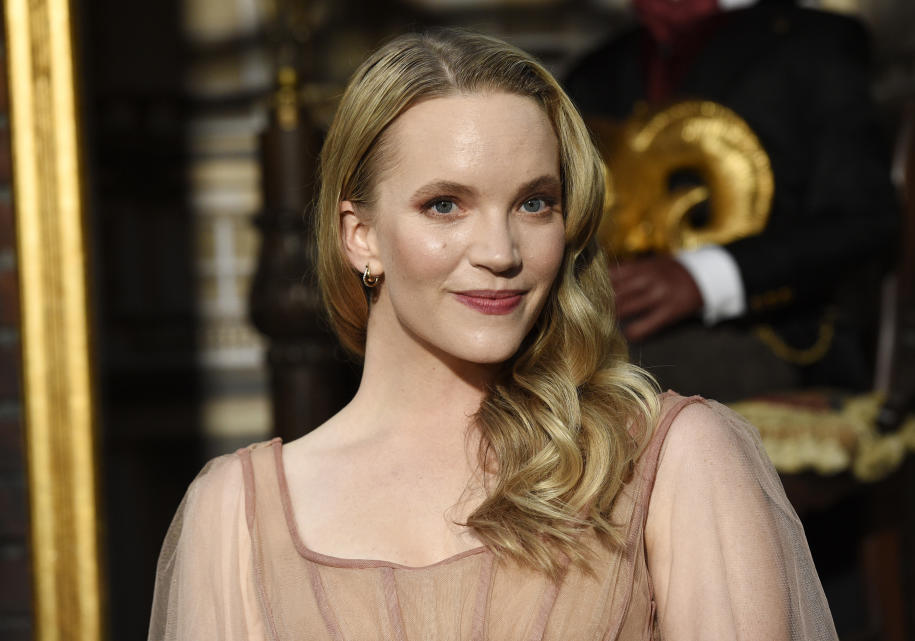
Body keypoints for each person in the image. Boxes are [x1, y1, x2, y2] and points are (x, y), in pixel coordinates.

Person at [148, 29, 837, 640]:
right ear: (360, 237)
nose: (501, 250)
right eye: (445, 205)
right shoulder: (234, 514)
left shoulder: (675, 459)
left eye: (535, 203)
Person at [564, 0, 899, 401]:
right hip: (605, 320)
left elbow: (863, 220)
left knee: (599, 385)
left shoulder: (815, 39)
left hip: (776, 335)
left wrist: (704, 278)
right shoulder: (594, 67)